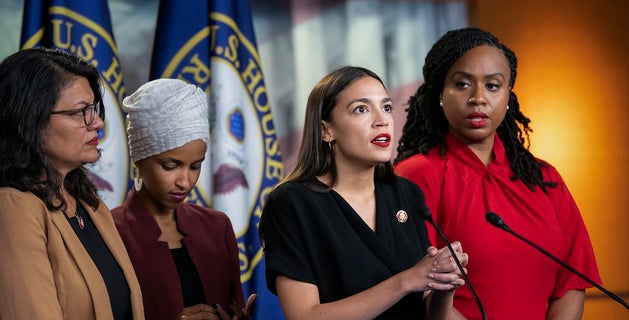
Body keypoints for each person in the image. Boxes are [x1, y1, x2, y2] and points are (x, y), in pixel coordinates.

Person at [394, 27, 601, 320]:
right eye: (463, 84)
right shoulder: (414, 175)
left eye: (492, 86)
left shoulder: (545, 177)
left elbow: (571, 283)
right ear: (440, 93)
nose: (478, 98)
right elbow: (420, 292)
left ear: (508, 96)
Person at [259, 66, 469, 320]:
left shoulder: (407, 195)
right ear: (326, 130)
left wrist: (443, 284)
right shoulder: (292, 203)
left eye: (387, 107)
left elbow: (427, 311)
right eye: (361, 109)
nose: (382, 120)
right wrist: (406, 280)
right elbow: (304, 315)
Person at [0, 47, 144, 319]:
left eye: (95, 110)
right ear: (30, 119)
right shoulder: (12, 208)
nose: (98, 122)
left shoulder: (90, 204)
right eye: (82, 112)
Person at [112, 78, 255, 320]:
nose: (185, 182)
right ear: (139, 158)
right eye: (170, 166)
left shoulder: (217, 226)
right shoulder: (109, 232)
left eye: (195, 166)